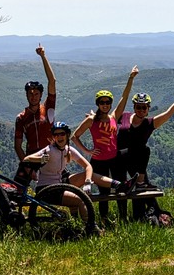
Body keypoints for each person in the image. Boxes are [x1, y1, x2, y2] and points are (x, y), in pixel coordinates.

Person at [22, 122, 137, 230]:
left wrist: (87, 182)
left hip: (60, 184)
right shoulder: (49, 150)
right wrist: (40, 159)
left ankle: (121, 186)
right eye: (56, 135)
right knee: (81, 199)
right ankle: (91, 228)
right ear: (53, 137)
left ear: (67, 135)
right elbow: (26, 159)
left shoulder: (69, 150)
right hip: (47, 189)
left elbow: (88, 166)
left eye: (62, 134)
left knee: (90, 175)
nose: (59, 137)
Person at [72, 65, 139, 223]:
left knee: (121, 188)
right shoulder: (91, 120)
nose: (105, 104)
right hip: (99, 161)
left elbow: (124, 97)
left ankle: (123, 218)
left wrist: (131, 78)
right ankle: (104, 219)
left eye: (108, 102)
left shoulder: (114, 117)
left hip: (115, 158)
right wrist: (87, 151)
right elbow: (75, 136)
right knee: (103, 193)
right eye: (102, 102)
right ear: (98, 103)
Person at [118, 88, 174, 190]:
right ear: (134, 107)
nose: (141, 110)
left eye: (144, 108)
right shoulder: (124, 116)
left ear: (148, 108)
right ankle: (140, 183)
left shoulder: (149, 123)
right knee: (144, 151)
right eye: (138, 107)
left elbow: (168, 113)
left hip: (136, 160)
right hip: (119, 156)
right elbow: (108, 119)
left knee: (145, 188)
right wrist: (94, 117)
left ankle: (152, 204)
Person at [13, 44, 56, 186]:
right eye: (30, 94)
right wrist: (25, 164)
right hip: (32, 157)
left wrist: (43, 56)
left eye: (36, 94)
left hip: (50, 155)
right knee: (17, 192)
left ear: (41, 95)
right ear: (26, 95)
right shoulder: (21, 118)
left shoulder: (48, 107)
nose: (33, 97)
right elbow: (18, 146)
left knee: (59, 188)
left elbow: (52, 81)